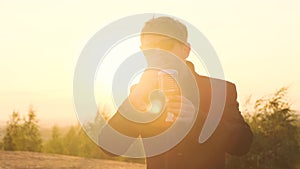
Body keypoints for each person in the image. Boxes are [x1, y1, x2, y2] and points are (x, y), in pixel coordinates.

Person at [99, 16, 253, 169]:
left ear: (186, 50)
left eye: (166, 45)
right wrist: (134, 104)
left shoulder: (219, 91)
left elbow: (242, 144)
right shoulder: (140, 94)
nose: (158, 54)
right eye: (150, 49)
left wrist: (197, 120)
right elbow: (109, 147)